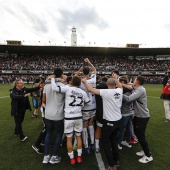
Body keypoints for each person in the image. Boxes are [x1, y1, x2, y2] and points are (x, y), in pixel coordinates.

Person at [82, 73, 123, 170]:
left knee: (105, 142)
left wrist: (84, 82)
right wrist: (116, 78)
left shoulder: (106, 92)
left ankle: (111, 164)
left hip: (109, 121)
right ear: (115, 84)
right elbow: (120, 85)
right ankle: (116, 160)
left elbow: (90, 90)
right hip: (118, 120)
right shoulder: (119, 90)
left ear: (107, 85)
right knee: (113, 140)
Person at [51, 76, 90, 165]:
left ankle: (72, 158)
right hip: (78, 117)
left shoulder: (67, 88)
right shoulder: (83, 92)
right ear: (80, 83)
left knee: (69, 138)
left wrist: (52, 79)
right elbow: (88, 102)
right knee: (78, 137)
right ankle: (79, 157)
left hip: (69, 117)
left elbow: (54, 88)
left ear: (71, 82)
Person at [123, 76, 153, 164]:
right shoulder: (137, 88)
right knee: (138, 133)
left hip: (142, 116)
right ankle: (144, 150)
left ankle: (148, 156)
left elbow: (129, 99)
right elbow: (131, 88)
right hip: (138, 115)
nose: (133, 80)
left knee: (141, 136)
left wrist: (117, 93)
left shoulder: (140, 90)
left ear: (137, 82)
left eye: (135, 79)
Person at [42, 68, 65, 164]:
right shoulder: (63, 86)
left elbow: (44, 99)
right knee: (59, 133)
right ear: (62, 74)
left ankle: (46, 156)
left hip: (48, 114)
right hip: (58, 115)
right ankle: (54, 156)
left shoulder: (46, 86)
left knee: (48, 133)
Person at [76, 58, 97, 154]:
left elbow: (73, 77)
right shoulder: (93, 79)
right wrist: (89, 62)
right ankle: (92, 143)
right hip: (93, 105)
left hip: (84, 107)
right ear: (89, 73)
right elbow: (95, 70)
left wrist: (79, 71)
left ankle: (86, 145)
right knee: (91, 124)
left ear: (82, 73)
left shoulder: (80, 81)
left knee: (84, 126)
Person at [117, 77, 133, 149]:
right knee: (129, 128)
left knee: (122, 129)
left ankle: (119, 143)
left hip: (124, 114)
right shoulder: (131, 92)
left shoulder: (123, 94)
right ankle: (128, 142)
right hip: (130, 112)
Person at [95, 76, 108, 153]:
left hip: (100, 112)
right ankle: (106, 144)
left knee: (98, 128)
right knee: (107, 130)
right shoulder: (109, 92)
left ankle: (97, 145)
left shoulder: (97, 92)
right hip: (108, 113)